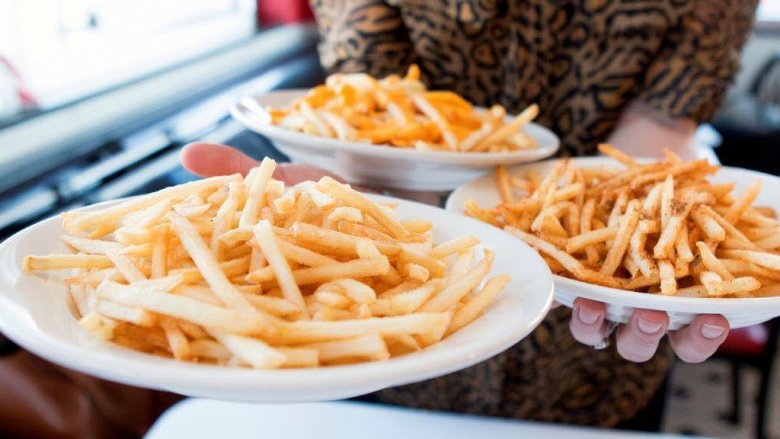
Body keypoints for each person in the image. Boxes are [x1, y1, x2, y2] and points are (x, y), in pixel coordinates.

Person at [181, 0, 757, 428]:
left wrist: (646, 253)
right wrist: (366, 197)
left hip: (589, 337)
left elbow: (660, 122)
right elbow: (373, 98)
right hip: (408, 282)